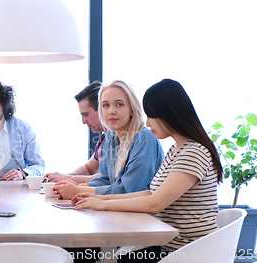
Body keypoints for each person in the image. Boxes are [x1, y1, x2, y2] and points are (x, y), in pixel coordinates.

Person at [72, 79, 222, 262]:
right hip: (168, 245)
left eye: (152, 115)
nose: (148, 122)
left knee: (87, 256)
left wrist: (103, 203)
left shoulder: (193, 152)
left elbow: (154, 204)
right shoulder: (176, 150)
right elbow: (151, 192)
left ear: (170, 114)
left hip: (186, 252)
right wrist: (100, 198)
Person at [53, 80, 164, 200]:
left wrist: (79, 190)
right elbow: (106, 180)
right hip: (116, 210)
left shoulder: (144, 138)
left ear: (132, 109)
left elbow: (127, 190)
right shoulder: (110, 136)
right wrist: (75, 187)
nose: (111, 111)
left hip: (141, 216)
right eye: (105, 105)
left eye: (119, 104)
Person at [44, 80, 105, 183]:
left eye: (86, 114)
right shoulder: (104, 140)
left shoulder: (125, 139)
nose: (83, 121)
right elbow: (88, 169)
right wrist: (62, 176)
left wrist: (70, 179)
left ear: (101, 109)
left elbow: (108, 178)